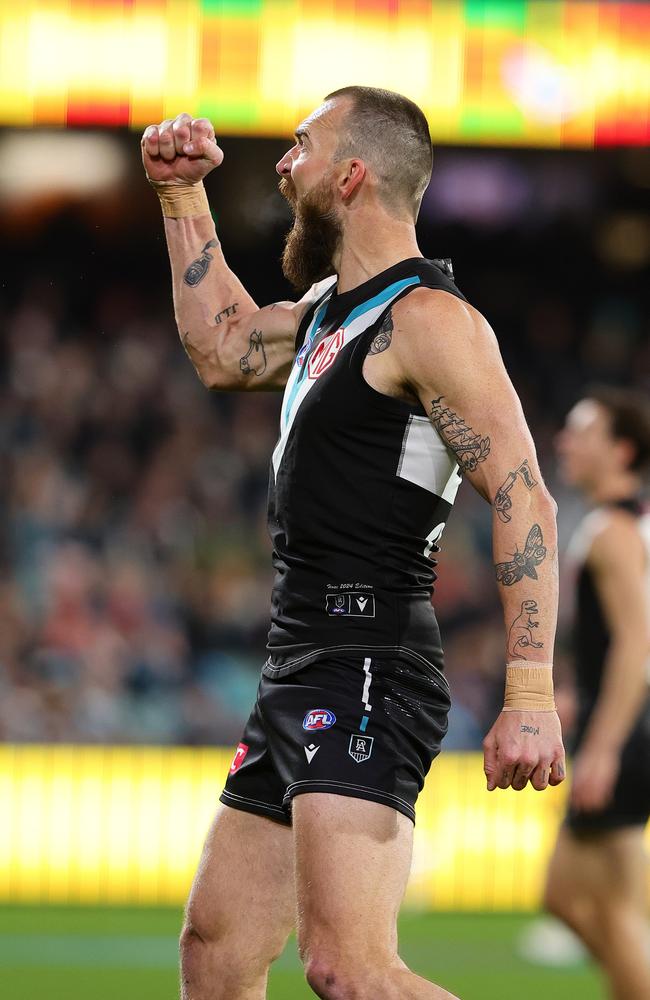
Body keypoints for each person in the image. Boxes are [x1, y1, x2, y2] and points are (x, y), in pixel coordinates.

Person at [141, 86, 565, 1000]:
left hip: (368, 660)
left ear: (351, 174)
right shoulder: (333, 310)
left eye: (302, 144)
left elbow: (524, 493)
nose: (284, 162)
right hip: (301, 663)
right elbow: (222, 348)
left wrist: (530, 691)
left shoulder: (429, 321)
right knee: (216, 953)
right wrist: (180, 196)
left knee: (349, 970)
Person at [544, 388, 650, 999]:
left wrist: (604, 748)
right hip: (622, 725)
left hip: (625, 736)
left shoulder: (611, 532)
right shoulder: (625, 524)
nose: (566, 440)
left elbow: (635, 643)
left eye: (582, 432)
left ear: (622, 450)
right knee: (578, 902)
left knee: (612, 911)